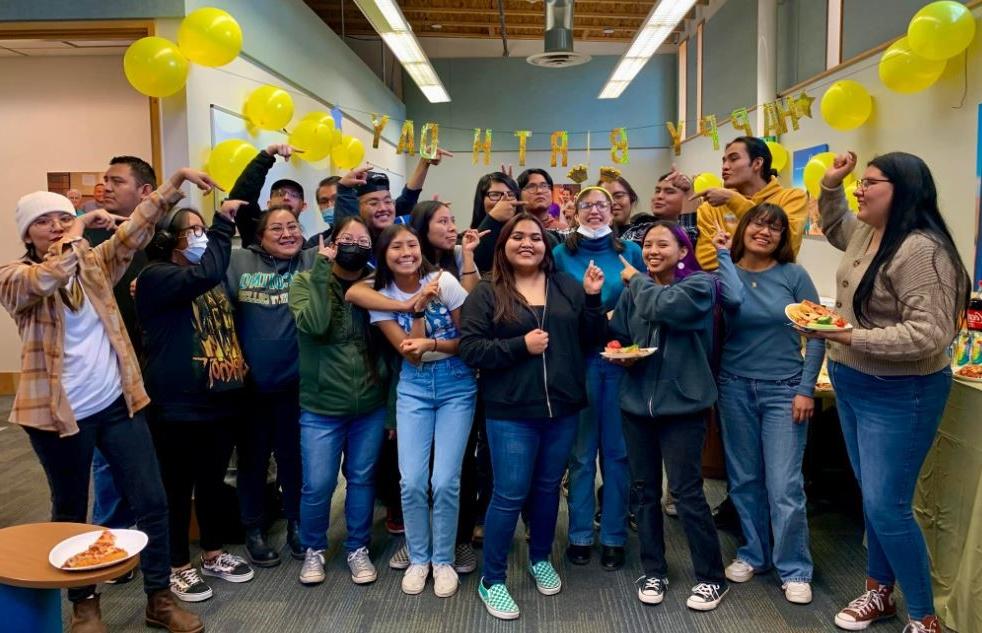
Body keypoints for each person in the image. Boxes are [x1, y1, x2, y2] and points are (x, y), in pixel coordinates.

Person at [0, 168, 217, 633]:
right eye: (46, 221)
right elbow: (50, 276)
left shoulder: (94, 263)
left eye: (63, 218)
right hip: (57, 415)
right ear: (27, 233)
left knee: (152, 500)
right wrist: (79, 227)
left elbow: (135, 229)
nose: (57, 225)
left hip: (117, 405)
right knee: (71, 509)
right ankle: (85, 606)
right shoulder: (15, 276)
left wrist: (175, 181)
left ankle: (159, 600)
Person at [817, 151, 970, 633]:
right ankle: (878, 593)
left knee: (888, 505)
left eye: (870, 183)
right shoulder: (869, 232)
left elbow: (930, 334)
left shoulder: (922, 251)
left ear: (902, 190)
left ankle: (925, 618)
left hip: (902, 391)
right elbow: (836, 226)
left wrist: (849, 336)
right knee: (872, 497)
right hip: (852, 379)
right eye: (859, 183)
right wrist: (830, 185)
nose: (859, 190)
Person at [459, 213, 606, 620]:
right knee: (509, 494)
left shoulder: (567, 286)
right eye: (518, 236)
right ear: (504, 244)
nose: (528, 243)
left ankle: (540, 557)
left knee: (545, 490)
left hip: (561, 408)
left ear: (547, 245)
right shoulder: (488, 292)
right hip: (510, 412)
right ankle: (493, 578)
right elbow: (471, 349)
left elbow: (592, 340)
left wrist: (593, 298)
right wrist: (519, 346)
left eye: (536, 238)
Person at [136, 199, 255, 603]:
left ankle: (212, 554)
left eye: (205, 229)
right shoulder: (155, 276)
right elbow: (205, 273)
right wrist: (223, 223)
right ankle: (176, 566)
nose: (202, 237)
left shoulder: (211, 281)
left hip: (219, 398)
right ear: (169, 238)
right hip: (175, 404)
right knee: (175, 486)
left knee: (211, 482)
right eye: (194, 231)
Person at [352, 224, 476, 599]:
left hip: (457, 383)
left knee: (444, 480)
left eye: (411, 245)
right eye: (396, 247)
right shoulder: (380, 296)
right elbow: (408, 350)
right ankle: (419, 558)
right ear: (383, 255)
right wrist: (418, 309)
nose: (405, 252)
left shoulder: (445, 282)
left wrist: (433, 340)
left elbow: (468, 341)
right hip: (414, 386)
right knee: (412, 480)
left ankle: (442, 560)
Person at [610, 221, 728, 612]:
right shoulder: (634, 290)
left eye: (663, 244)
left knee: (687, 491)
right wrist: (621, 351)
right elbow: (621, 332)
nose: (652, 250)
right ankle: (654, 569)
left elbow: (665, 308)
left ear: (682, 251)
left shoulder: (699, 286)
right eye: (647, 245)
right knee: (643, 491)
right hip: (636, 404)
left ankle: (712, 577)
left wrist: (634, 279)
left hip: (684, 405)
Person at [710, 203, 824, 605]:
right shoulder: (723, 272)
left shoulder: (794, 275)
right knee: (743, 479)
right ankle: (753, 553)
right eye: (759, 223)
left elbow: (817, 331)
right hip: (734, 386)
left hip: (784, 390)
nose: (766, 232)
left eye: (776, 228)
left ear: (784, 237)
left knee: (784, 485)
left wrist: (806, 389)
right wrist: (726, 255)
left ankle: (794, 567)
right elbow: (735, 302)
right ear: (744, 227)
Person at [288, 216, 389, 587]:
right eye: (346, 238)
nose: (353, 244)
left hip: (370, 405)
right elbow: (315, 324)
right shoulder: (303, 281)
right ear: (330, 242)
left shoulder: (377, 284)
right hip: (321, 407)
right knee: (317, 484)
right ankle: (314, 548)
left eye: (362, 241)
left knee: (362, 480)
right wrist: (320, 268)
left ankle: (357, 547)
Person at [552, 186, 645, 571]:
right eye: (586, 205)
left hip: (622, 362)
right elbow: (556, 307)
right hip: (580, 362)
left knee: (618, 453)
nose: (594, 211)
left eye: (601, 205)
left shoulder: (632, 253)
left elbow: (644, 304)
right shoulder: (562, 254)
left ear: (613, 210)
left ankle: (613, 536)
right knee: (581, 454)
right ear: (575, 210)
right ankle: (579, 535)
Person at [225, 204, 319, 566]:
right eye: (276, 229)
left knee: (295, 460)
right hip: (250, 388)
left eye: (292, 226)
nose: (287, 234)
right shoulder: (238, 263)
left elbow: (351, 232)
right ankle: (254, 528)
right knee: (253, 460)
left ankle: (296, 523)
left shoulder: (311, 261)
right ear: (259, 238)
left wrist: (345, 193)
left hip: (297, 386)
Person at [87, 155, 162, 574]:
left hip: (156, 363)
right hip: (111, 372)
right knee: (108, 463)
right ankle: (111, 548)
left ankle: (151, 543)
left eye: (116, 181)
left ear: (145, 192)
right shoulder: (93, 237)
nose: (106, 187)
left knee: (149, 462)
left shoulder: (159, 237)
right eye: (104, 180)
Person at [694, 137, 807, 271]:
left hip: (773, 289)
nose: (724, 167)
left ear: (757, 163)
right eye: (724, 161)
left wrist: (733, 200)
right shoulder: (710, 208)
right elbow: (705, 260)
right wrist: (761, 250)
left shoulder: (792, 198)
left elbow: (787, 246)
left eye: (734, 159)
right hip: (727, 290)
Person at [334, 150, 454, 235]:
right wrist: (343, 188)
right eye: (373, 203)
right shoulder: (358, 242)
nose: (383, 208)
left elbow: (408, 199)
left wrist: (424, 162)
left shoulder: (402, 228)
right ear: (358, 208)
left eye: (388, 201)